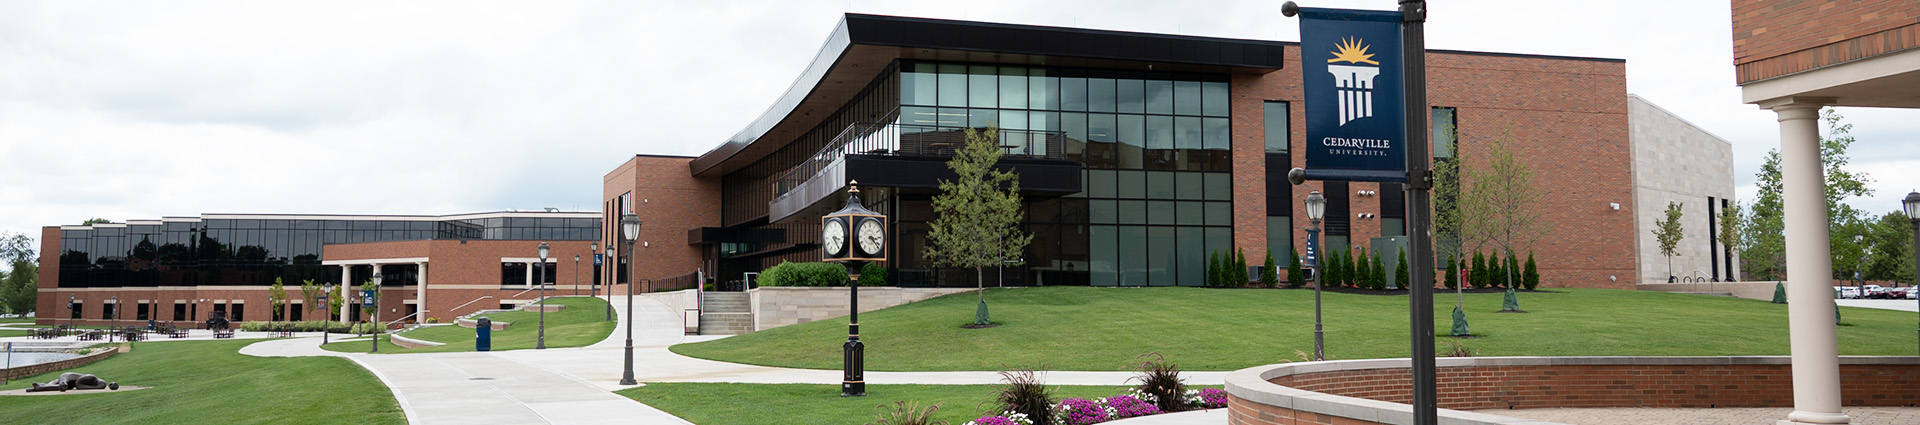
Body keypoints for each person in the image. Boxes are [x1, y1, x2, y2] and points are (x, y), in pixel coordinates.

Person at [25, 372, 117, 392]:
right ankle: (40, 387)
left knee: (61, 385)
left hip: (70, 383)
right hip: (68, 376)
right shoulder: (91, 377)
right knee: (61, 384)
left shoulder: (101, 384)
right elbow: (79, 385)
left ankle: (40, 387)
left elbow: (79, 386)